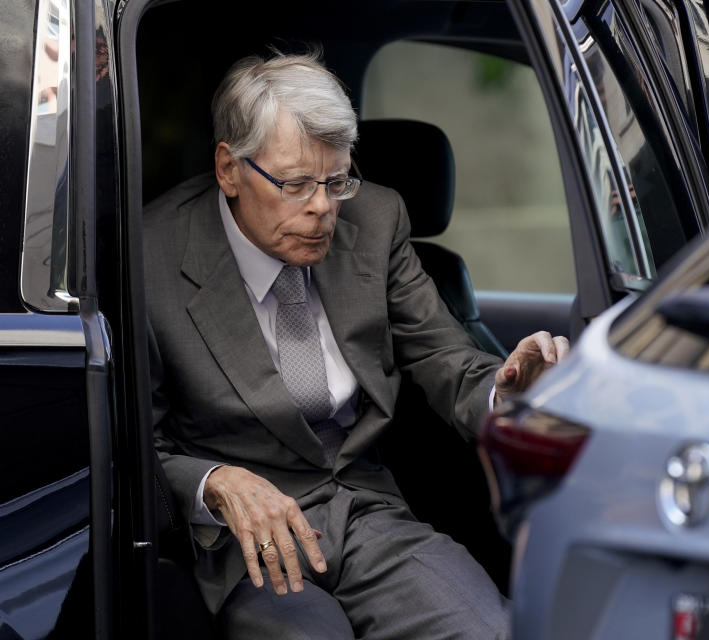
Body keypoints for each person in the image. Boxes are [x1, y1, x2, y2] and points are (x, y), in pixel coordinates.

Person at [144, 51, 568, 640]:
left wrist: (507, 390)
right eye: (295, 184)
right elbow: (135, 439)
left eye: (336, 180)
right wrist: (215, 480)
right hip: (250, 543)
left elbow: (447, 358)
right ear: (229, 170)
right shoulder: (150, 254)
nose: (322, 207)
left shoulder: (374, 219)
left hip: (367, 509)